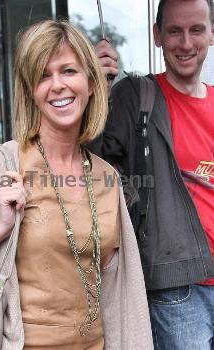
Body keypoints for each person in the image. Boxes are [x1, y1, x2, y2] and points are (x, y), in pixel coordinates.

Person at [0, 20, 152, 349]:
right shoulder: (1, 165)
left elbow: (119, 293)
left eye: (68, 71)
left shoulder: (106, 177)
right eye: (43, 75)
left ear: (90, 82)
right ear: (31, 92)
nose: (57, 85)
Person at [90, 0, 214, 349]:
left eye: (196, 30)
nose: (186, 43)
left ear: (212, 34)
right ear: (157, 35)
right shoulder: (136, 96)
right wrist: (97, 87)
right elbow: (92, 159)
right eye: (174, 31)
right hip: (178, 287)